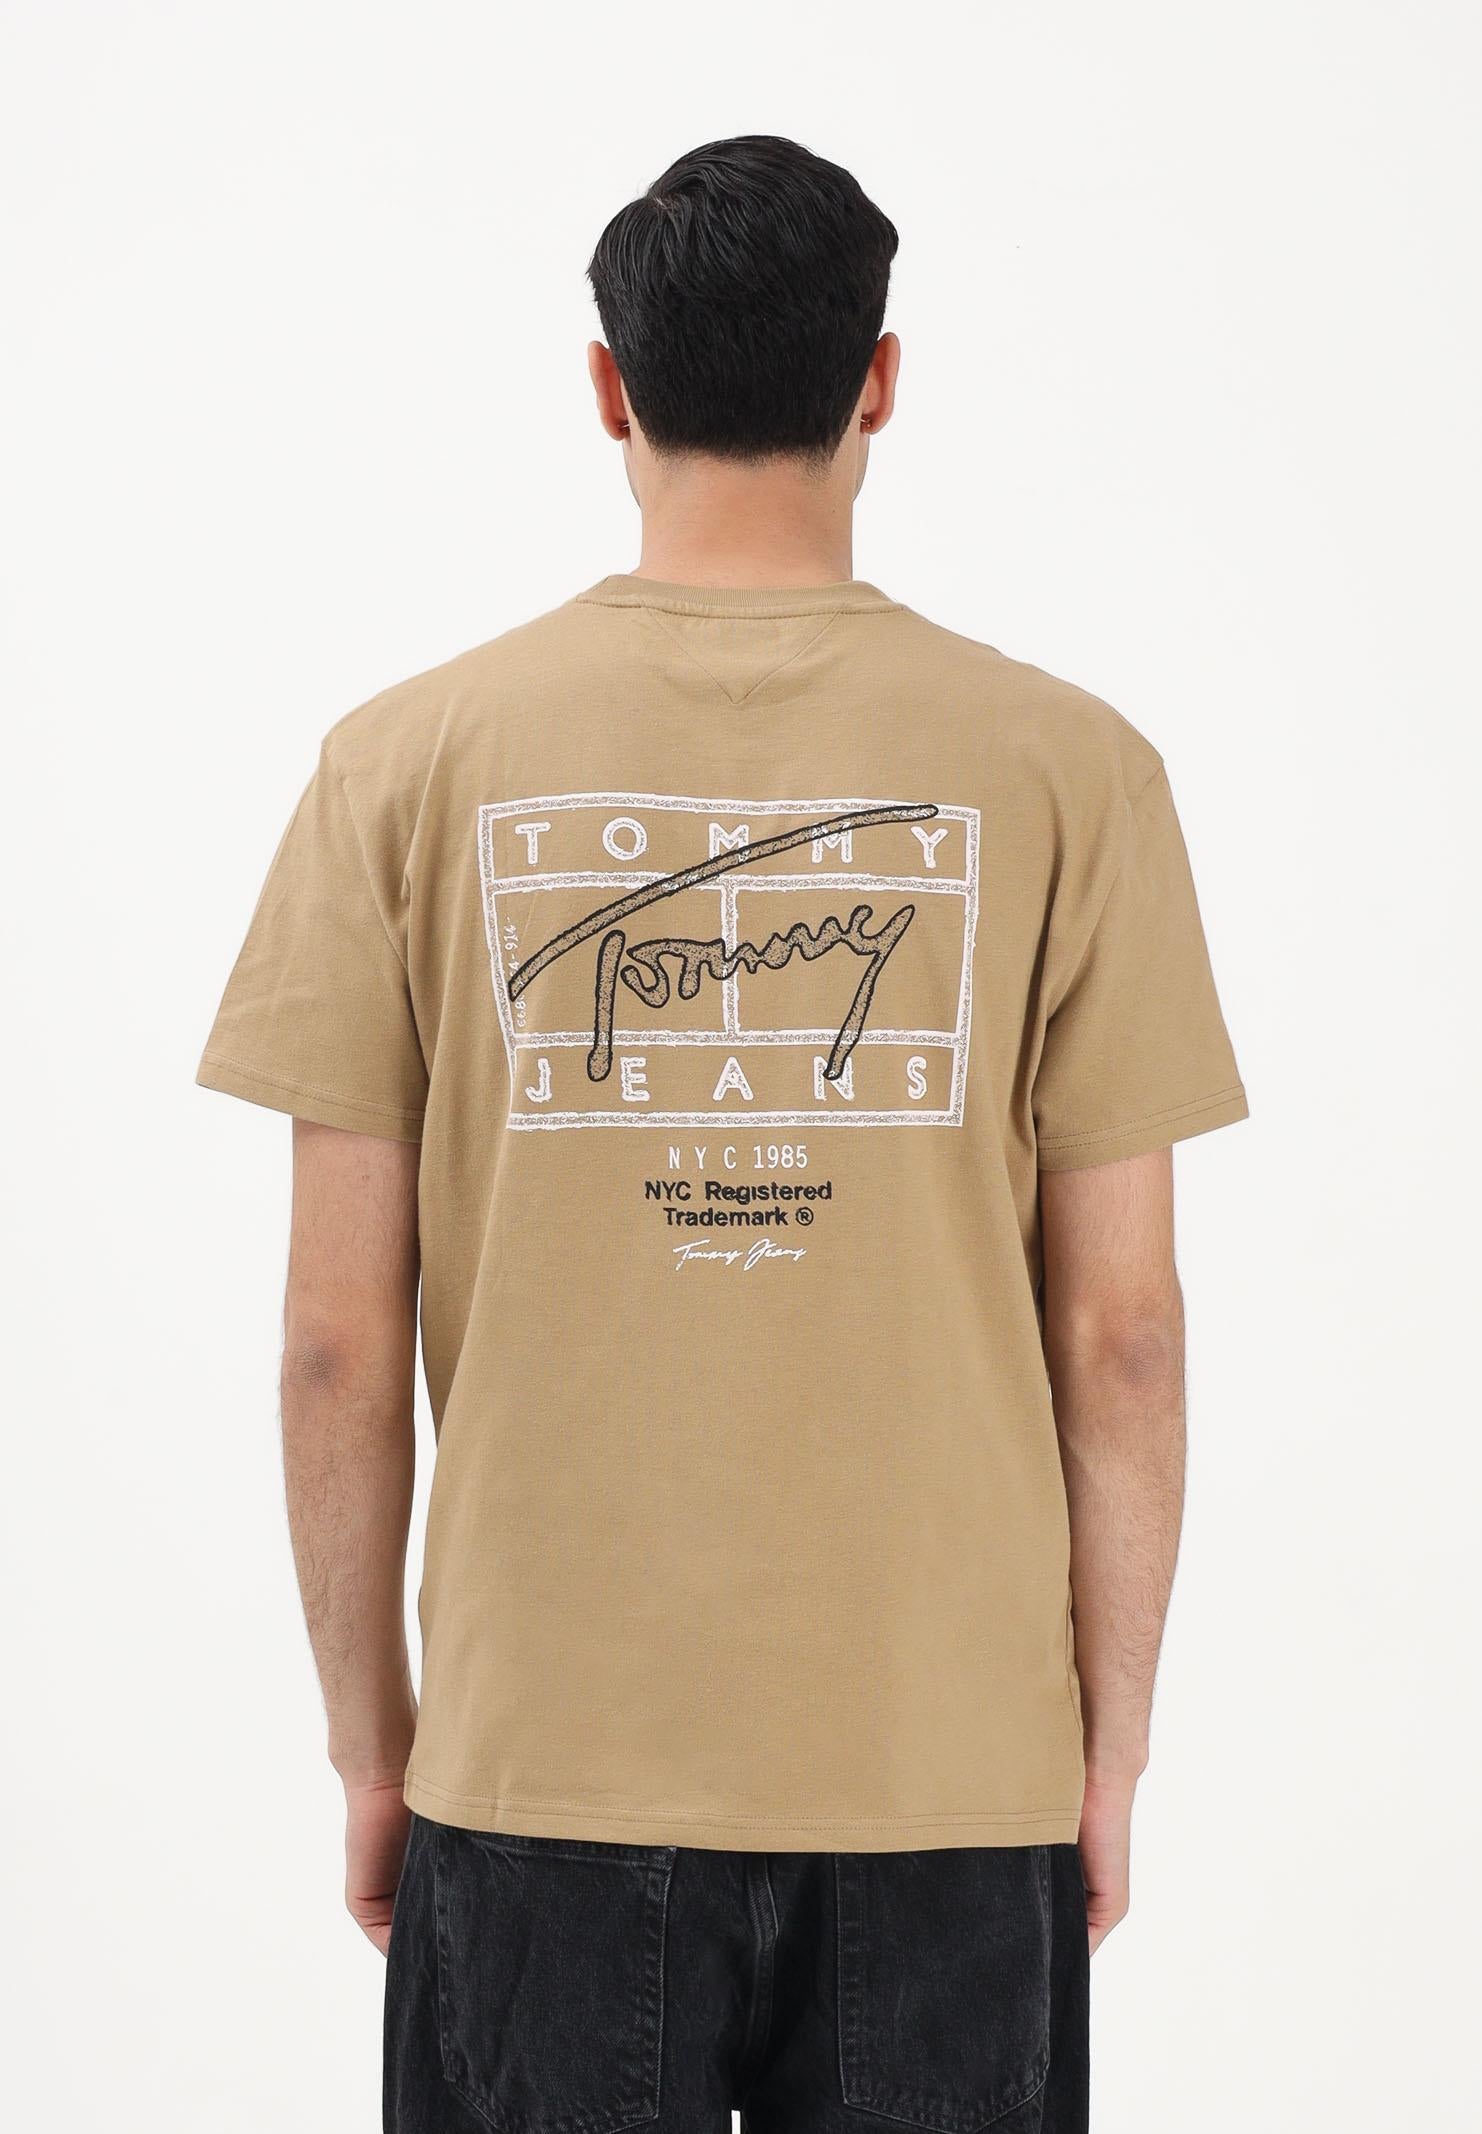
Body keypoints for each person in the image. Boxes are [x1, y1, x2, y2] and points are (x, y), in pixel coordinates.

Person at [199, 134, 1247, 2134]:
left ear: (609, 386)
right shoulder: (1072, 771)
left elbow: (334, 1337)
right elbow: (1124, 1333)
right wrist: (1104, 1750)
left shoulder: (403, 763)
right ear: (879, 381)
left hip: (540, 1765)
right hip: (950, 1778)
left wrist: (377, 1750)